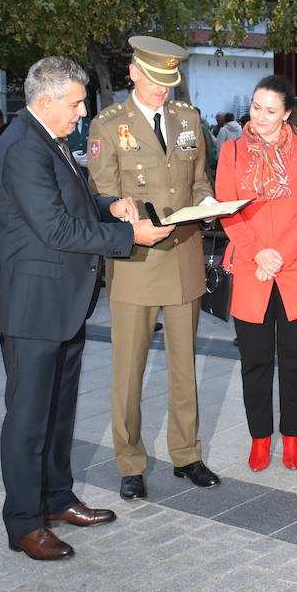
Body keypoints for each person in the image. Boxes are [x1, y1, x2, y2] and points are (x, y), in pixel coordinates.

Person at [0, 56, 169, 560]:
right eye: (74, 103)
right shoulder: (23, 145)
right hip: (33, 305)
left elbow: (72, 206)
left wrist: (109, 207)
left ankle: (56, 497)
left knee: (58, 412)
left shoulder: (49, 138)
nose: (82, 112)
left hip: (61, 302)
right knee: (27, 419)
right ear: (45, 101)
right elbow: (56, 229)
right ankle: (23, 521)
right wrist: (128, 234)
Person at [86, 36, 219, 500]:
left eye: (169, 82)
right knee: (129, 371)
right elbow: (100, 194)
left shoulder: (189, 119)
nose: (163, 91)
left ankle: (187, 454)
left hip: (183, 256)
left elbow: (199, 180)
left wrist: (209, 205)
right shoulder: (108, 125)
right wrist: (119, 210)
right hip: (137, 261)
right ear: (134, 72)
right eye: (155, 81)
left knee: (186, 368)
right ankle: (130, 462)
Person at [218, 74, 297, 471]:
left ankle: (291, 437)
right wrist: (259, 254)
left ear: (288, 113)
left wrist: (280, 254)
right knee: (254, 360)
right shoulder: (232, 150)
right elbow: (227, 210)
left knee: (296, 359)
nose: (261, 116)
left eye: (271, 110)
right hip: (251, 269)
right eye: (256, 107)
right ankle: (259, 438)